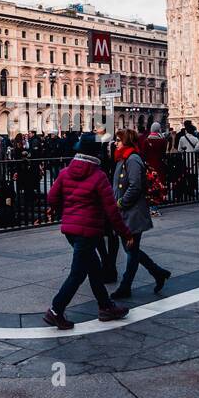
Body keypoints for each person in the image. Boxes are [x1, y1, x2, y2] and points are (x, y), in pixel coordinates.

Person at [43, 139, 135, 330]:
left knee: (93, 268)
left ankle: (105, 307)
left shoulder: (65, 172)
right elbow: (112, 211)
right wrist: (126, 233)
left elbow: (52, 198)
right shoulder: (99, 176)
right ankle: (55, 310)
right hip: (89, 231)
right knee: (78, 274)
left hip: (70, 230)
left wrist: (67, 212)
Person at [110, 129, 171, 299]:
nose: (116, 143)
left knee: (131, 250)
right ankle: (158, 273)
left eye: (118, 140)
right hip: (124, 212)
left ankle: (125, 286)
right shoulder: (122, 158)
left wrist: (121, 202)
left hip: (133, 212)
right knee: (132, 250)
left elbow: (135, 186)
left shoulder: (133, 159)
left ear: (127, 141)